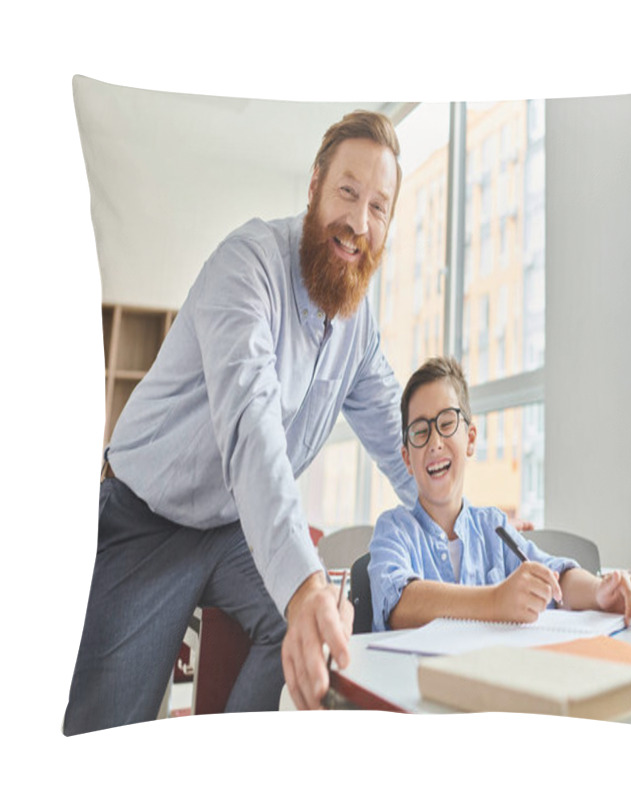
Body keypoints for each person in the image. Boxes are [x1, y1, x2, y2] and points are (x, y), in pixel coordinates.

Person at [64, 111, 418, 734]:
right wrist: (303, 581)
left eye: (379, 207)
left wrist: (457, 512)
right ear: (314, 186)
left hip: (235, 531)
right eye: (347, 192)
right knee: (105, 729)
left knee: (319, 621)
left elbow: (399, 438)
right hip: (143, 518)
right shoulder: (247, 264)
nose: (359, 222)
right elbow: (251, 427)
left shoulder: (357, 328)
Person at [368, 356, 631, 632]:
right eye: (420, 431)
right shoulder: (393, 530)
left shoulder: (493, 527)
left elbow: (555, 578)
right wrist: (496, 601)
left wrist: (600, 593)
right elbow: (400, 604)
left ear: (470, 439)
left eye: (446, 424)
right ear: (406, 458)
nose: (434, 443)